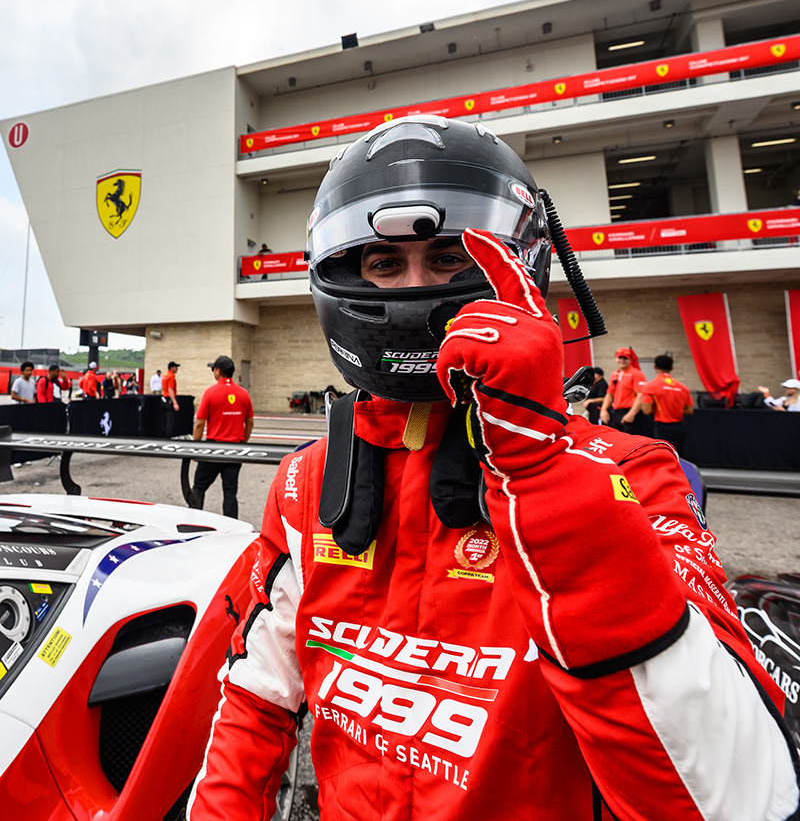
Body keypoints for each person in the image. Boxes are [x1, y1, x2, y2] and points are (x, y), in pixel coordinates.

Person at [188, 116, 799, 821]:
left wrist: (547, 480)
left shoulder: (631, 472)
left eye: (450, 258)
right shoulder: (310, 479)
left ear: (518, 264)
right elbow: (254, 704)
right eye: (385, 264)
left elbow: (742, 798)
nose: (415, 286)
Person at [187, 355, 254, 518]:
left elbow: (199, 423)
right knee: (230, 493)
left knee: (198, 488)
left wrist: (196, 448)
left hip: (213, 449)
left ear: (218, 371)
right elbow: (250, 422)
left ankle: (193, 522)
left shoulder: (211, 392)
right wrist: (242, 442)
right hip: (235, 450)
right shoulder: (244, 393)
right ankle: (232, 529)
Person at [628, 354, 694, 455]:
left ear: (655, 367)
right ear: (671, 368)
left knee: (664, 457)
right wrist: (673, 409)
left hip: (663, 429)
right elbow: (689, 410)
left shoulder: (650, 386)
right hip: (681, 429)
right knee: (680, 458)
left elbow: (647, 410)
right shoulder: (683, 387)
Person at [599, 347, 646, 432]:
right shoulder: (614, 374)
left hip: (630, 412)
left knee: (631, 441)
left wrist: (632, 414)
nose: (622, 360)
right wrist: (603, 410)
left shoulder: (636, 374)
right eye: (620, 357)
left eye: (625, 358)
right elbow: (609, 394)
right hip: (616, 412)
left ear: (630, 360)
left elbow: (641, 395)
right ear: (616, 359)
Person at [161, 361, 180, 437]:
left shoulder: (165, 375)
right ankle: (169, 436)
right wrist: (175, 402)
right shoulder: (171, 376)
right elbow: (170, 389)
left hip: (164, 398)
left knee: (165, 419)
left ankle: (165, 435)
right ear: (171, 368)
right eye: (176, 367)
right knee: (170, 420)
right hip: (170, 399)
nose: (177, 369)